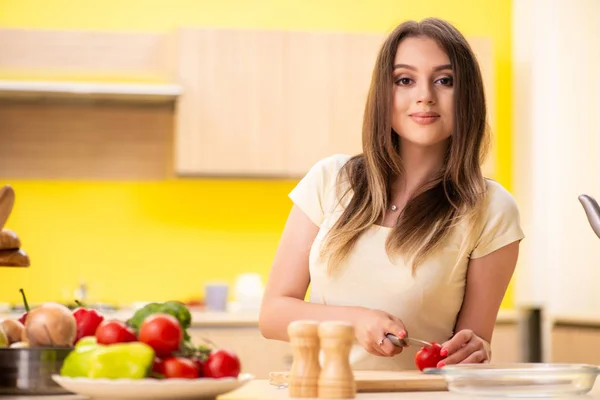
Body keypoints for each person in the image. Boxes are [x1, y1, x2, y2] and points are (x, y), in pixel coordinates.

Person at [258, 17, 524, 371]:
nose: (425, 95)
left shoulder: (492, 209)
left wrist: (474, 350)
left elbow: (467, 352)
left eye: (444, 80)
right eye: (405, 80)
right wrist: (356, 322)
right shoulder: (329, 180)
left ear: (468, 97)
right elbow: (273, 313)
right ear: (385, 93)